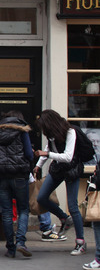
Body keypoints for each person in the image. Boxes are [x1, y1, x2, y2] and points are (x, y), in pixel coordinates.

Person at [34, 109, 87, 256]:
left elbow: (68, 156)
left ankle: (80, 242)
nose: (43, 131)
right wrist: (38, 165)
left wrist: (48, 155)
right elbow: (47, 150)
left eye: (44, 127)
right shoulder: (52, 135)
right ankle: (64, 218)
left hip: (71, 170)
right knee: (42, 197)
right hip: (58, 168)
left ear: (50, 124)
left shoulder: (70, 132)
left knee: (73, 205)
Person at [0, 111, 33, 258]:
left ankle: (10, 247)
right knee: (23, 209)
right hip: (19, 174)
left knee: (7, 211)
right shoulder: (22, 132)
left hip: (2, 175)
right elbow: (29, 154)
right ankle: (21, 242)